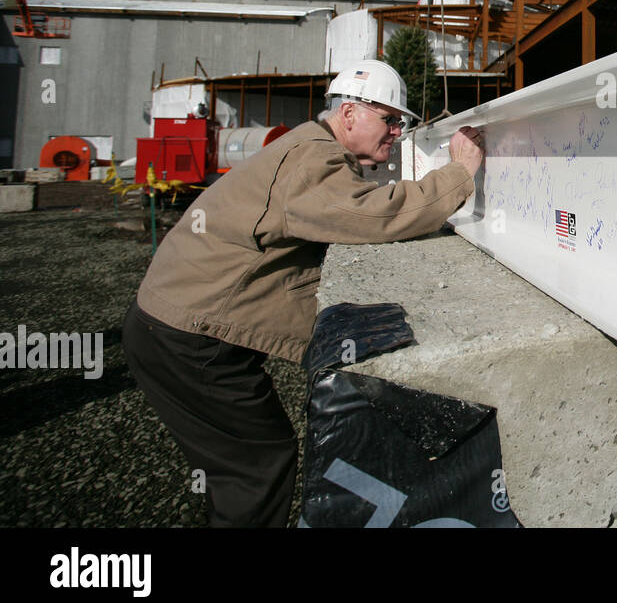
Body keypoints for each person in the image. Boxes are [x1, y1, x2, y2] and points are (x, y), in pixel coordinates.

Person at [121, 59, 485, 527]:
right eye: (389, 119)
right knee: (256, 464)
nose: (396, 131)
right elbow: (374, 216)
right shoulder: (311, 158)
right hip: (185, 339)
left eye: (400, 123)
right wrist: (459, 173)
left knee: (242, 466)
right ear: (349, 113)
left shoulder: (311, 147)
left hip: (175, 326)